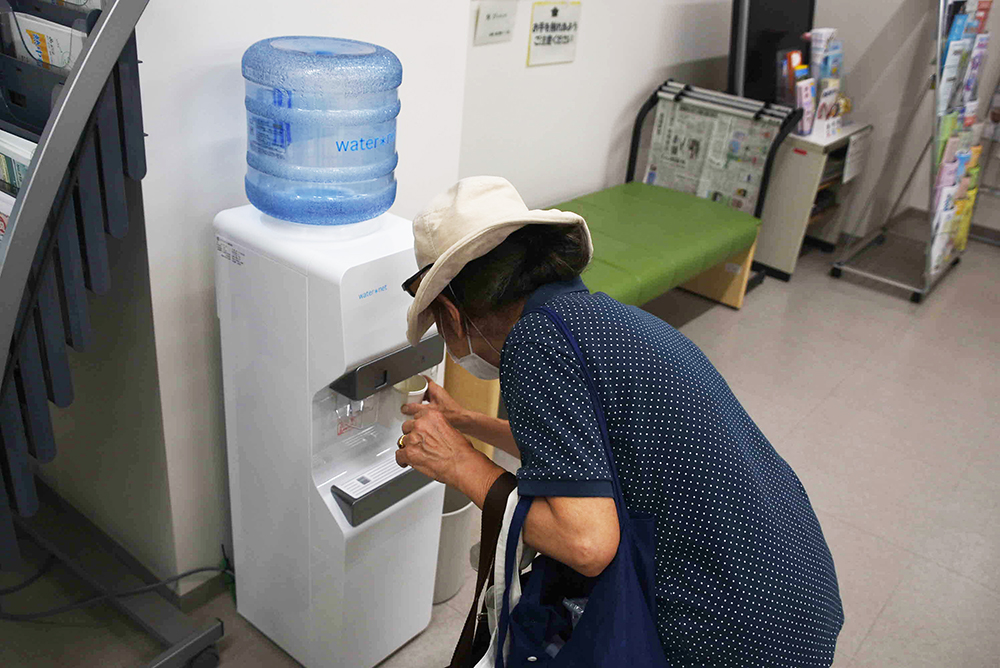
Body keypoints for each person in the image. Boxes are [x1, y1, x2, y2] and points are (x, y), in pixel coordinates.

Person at [396, 176, 844, 666]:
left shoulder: (533, 345)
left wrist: (460, 465)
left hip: (733, 626)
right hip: (795, 587)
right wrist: (469, 422)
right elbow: (592, 457)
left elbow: (586, 543)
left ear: (453, 315)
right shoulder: (595, 320)